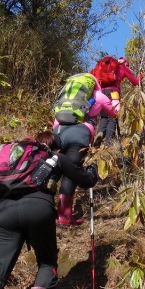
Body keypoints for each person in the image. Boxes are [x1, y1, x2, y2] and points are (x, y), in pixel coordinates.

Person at [0, 131, 99, 289]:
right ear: (56, 147)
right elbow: (86, 180)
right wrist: (93, 169)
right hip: (38, 210)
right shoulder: (55, 157)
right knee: (47, 263)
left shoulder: (13, 168)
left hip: (4, 213)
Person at [51, 72, 115, 226]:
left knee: (51, 169)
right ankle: (64, 217)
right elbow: (114, 113)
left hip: (57, 132)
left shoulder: (67, 95)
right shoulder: (98, 96)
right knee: (71, 172)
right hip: (79, 135)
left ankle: (44, 209)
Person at [92, 56, 140, 145]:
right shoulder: (123, 67)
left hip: (100, 93)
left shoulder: (105, 67)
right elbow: (136, 83)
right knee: (112, 116)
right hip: (113, 93)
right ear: (126, 63)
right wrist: (141, 77)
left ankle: (99, 138)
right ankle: (108, 143)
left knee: (104, 117)